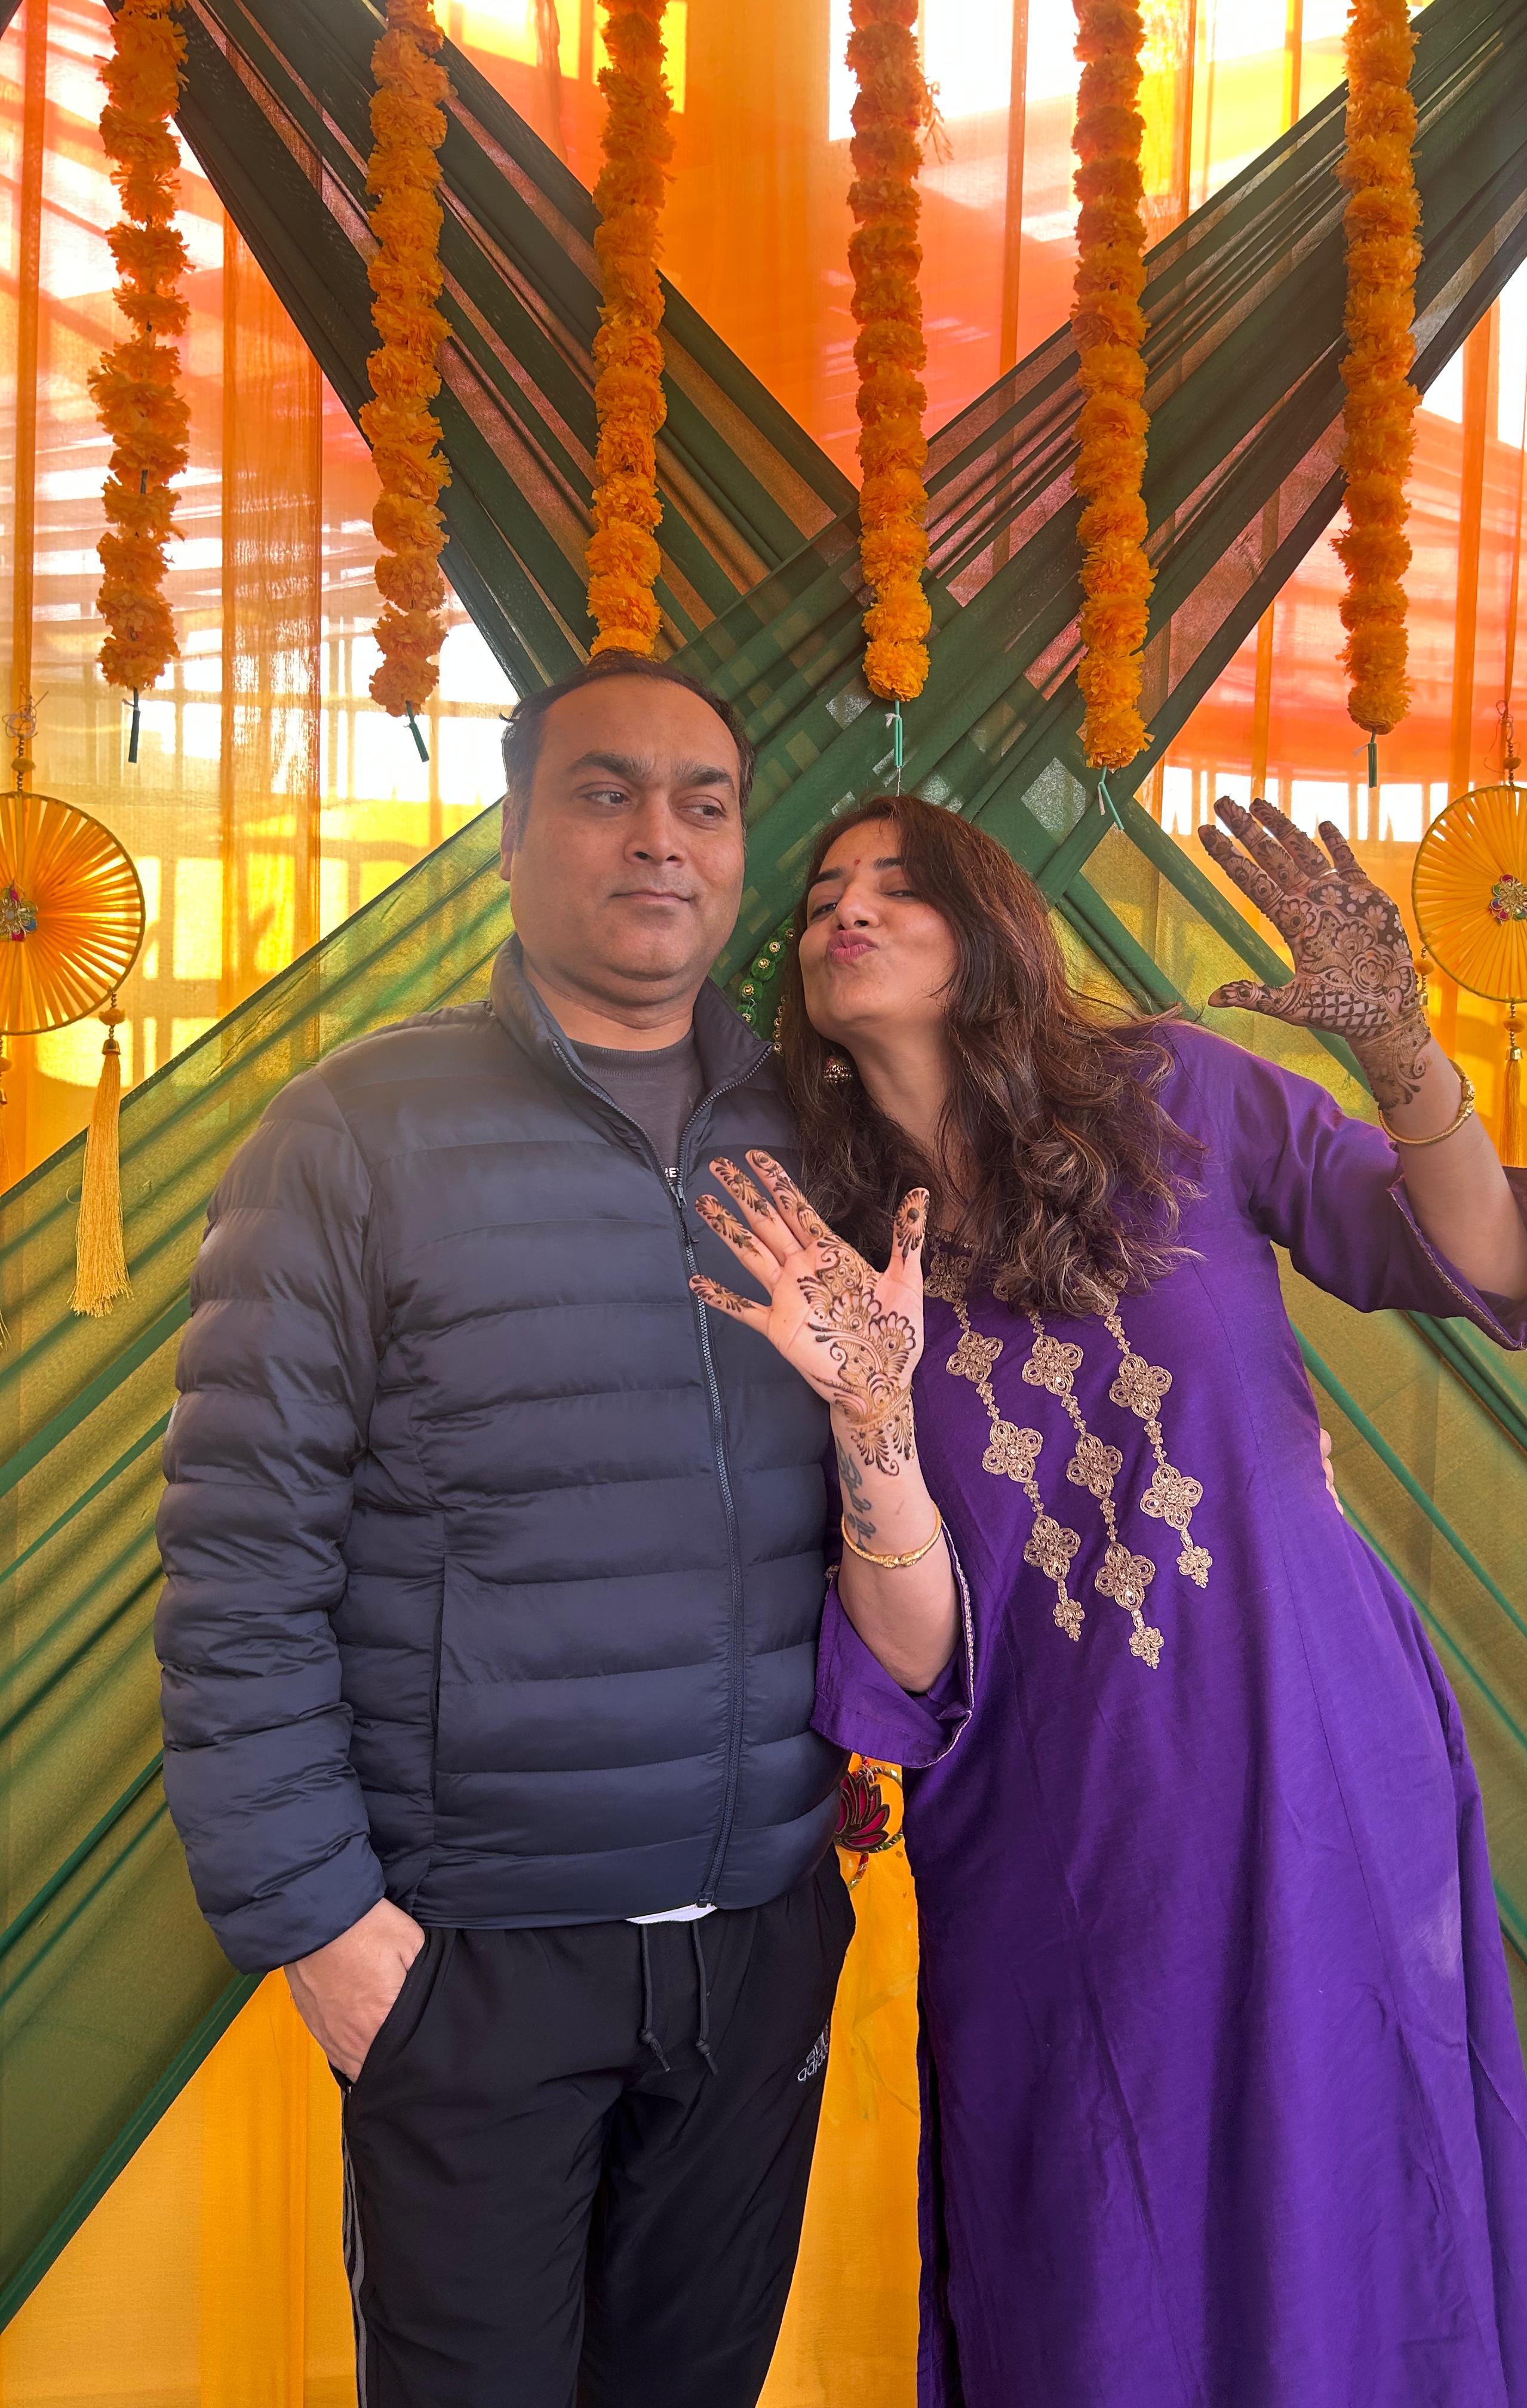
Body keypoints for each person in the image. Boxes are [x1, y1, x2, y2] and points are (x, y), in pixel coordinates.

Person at [690, 791, 1527, 2408]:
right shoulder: (812, 1236)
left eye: (899, 887)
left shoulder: (1176, 1096)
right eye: (823, 897)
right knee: (1097, 2248)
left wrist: (1398, 1045)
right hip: (1058, 1816)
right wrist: (871, 1415)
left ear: (992, 929)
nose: (848, 913)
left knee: (1357, 2183)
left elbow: (1481, 1262)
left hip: (1308, 1742)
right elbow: (919, 1665)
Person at [153, 652, 953, 2408]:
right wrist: (327, 1933)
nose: (660, 837)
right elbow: (240, 1563)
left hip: (757, 1940)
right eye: (606, 793)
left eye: (704, 803)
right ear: (512, 839)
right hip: (472, 1961)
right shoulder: (357, 1131)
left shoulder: (828, 1139)